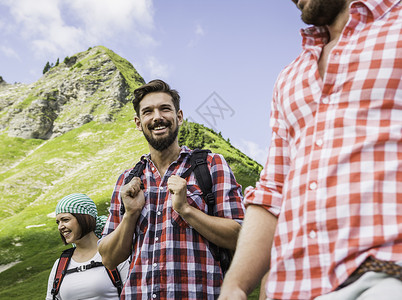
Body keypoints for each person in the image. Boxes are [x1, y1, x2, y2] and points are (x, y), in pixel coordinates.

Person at [220, 0, 402, 299]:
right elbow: (273, 190)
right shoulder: (290, 78)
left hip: (387, 275)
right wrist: (235, 285)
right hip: (295, 290)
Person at [98, 79, 245, 299]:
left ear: (179, 117)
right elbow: (108, 258)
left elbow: (240, 235)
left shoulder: (211, 165)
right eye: (148, 112)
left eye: (165, 109)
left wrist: (186, 210)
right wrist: (130, 215)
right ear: (139, 123)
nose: (157, 117)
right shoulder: (127, 180)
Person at [46, 193, 129, 300]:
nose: (60, 227)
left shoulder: (115, 254)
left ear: (84, 218)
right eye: (58, 222)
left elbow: (133, 293)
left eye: (65, 220)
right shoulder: (60, 264)